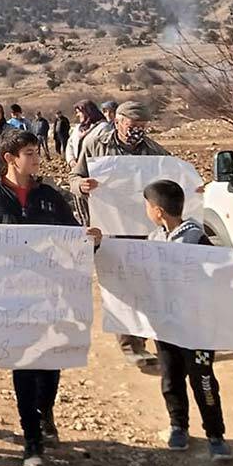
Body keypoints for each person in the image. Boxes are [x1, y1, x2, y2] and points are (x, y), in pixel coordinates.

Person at [0, 128, 102, 466]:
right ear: (10, 158)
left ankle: (45, 411)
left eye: (38, 153)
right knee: (24, 363)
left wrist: (91, 239)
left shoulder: (50, 196)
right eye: (30, 154)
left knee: (50, 359)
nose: (37, 160)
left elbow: (71, 234)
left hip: (51, 294)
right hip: (10, 296)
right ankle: (32, 441)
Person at [143, 180, 233, 463]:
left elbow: (218, 269)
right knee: (171, 377)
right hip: (167, 324)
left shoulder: (197, 239)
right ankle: (178, 426)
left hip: (197, 327)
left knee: (203, 379)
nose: (145, 210)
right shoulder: (154, 240)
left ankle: (215, 434)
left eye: (147, 206)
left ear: (158, 211)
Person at [69, 100, 166, 366]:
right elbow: (73, 178)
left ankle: (146, 338)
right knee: (120, 287)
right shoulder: (95, 145)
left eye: (143, 127)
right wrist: (82, 186)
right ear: (118, 122)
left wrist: (191, 189)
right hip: (110, 226)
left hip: (144, 228)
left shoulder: (154, 151)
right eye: (133, 126)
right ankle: (130, 345)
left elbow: (172, 180)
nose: (138, 132)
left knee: (144, 284)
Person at [65, 100, 110, 224]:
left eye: (80, 112)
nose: (78, 115)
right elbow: (69, 144)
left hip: (93, 170)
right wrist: (72, 160)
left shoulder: (103, 128)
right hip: (78, 170)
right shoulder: (78, 128)